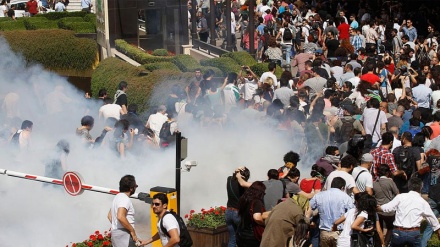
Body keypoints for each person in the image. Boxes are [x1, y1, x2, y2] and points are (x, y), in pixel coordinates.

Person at [378, 177, 440, 246]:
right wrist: (438, 230)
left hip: (398, 232)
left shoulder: (400, 197)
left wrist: (378, 208)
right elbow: (431, 217)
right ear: (421, 187)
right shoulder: (422, 202)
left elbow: (387, 208)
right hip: (414, 233)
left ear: (408, 186)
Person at [310, 177, 355, 247]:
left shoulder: (318, 196)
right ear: (343, 187)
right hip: (338, 232)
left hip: (324, 232)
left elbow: (309, 208)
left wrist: (311, 221)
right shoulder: (346, 198)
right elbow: (352, 213)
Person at [108, 175, 139, 247]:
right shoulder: (124, 199)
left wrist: (116, 225)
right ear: (131, 188)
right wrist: (132, 231)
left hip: (116, 234)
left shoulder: (117, 197)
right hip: (124, 234)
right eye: (135, 186)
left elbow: (109, 216)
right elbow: (120, 216)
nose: (135, 188)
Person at [373, 164, 399, 247]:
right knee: (390, 228)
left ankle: (380, 243)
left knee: (379, 228)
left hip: (378, 210)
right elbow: (397, 193)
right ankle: (386, 243)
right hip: (389, 210)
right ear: (388, 173)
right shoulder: (390, 181)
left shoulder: (374, 183)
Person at [236, 181, 267, 247]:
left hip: (241, 233)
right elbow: (257, 217)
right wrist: (264, 223)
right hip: (252, 236)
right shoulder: (256, 201)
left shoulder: (244, 199)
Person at [226, 167, 250, 247]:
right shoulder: (244, 186)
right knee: (242, 239)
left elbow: (232, 176)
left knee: (232, 239)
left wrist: (236, 171)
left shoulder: (229, 179)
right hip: (238, 213)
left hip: (228, 212)